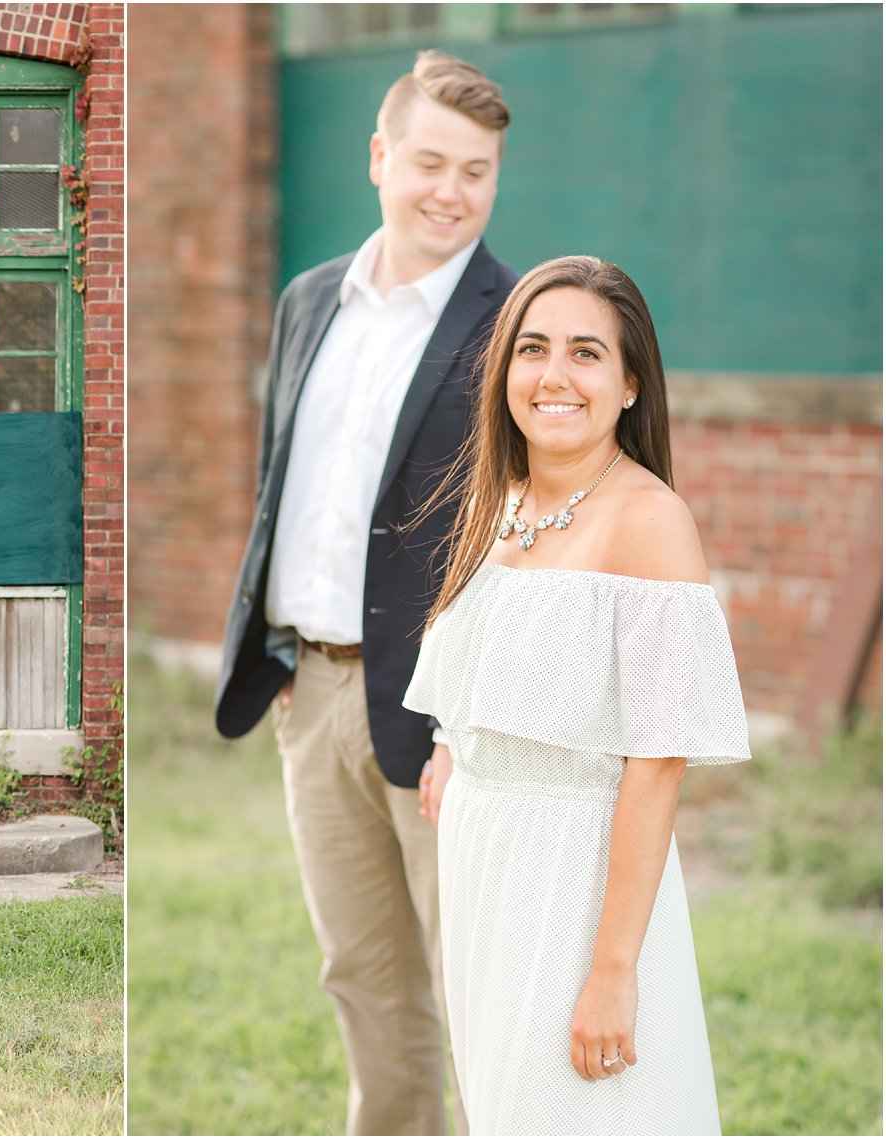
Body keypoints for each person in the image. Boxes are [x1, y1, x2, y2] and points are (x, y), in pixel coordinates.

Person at [215, 49, 516, 1136]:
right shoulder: (307, 301)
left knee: (478, 981)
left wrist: (466, 715)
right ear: (379, 156)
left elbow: (521, 537)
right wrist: (283, 660)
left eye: (474, 171)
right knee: (360, 972)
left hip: (445, 711)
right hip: (315, 691)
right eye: (429, 161)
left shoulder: (511, 324)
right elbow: (278, 487)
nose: (450, 190)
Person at [403, 255, 750, 1134]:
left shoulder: (649, 521)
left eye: (587, 354)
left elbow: (658, 760)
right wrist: (455, 745)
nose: (554, 376)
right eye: (533, 349)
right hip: (486, 867)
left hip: (576, 874)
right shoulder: (503, 501)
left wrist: (612, 968)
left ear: (632, 383)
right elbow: (496, 664)